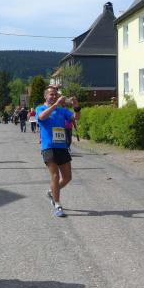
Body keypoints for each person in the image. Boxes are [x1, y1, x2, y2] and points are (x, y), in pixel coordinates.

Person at [37, 86, 79, 217]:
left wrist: (76, 107)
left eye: (56, 94)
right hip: (48, 146)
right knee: (55, 176)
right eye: (51, 94)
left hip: (62, 146)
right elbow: (42, 117)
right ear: (45, 96)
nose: (54, 96)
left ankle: (52, 192)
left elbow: (75, 118)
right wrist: (55, 105)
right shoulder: (40, 108)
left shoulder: (62, 110)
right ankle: (57, 205)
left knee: (67, 177)